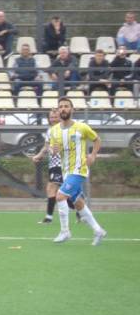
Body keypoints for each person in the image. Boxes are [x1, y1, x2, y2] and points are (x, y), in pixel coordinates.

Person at [48, 97, 106, 245]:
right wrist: (53, 150)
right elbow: (53, 150)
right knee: (78, 203)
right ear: (58, 110)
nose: (63, 109)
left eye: (66, 106)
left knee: (60, 196)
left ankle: (65, 232)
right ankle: (98, 230)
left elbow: (97, 140)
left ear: (72, 109)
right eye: (61, 106)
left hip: (79, 169)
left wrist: (93, 155)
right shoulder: (54, 130)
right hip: (66, 171)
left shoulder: (82, 127)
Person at [32, 109, 78, 224]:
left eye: (55, 117)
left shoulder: (66, 129)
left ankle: (49, 217)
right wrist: (39, 155)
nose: (53, 119)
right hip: (53, 163)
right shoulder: (50, 130)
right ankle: (80, 211)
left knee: (53, 189)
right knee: (60, 191)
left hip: (62, 164)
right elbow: (47, 146)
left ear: (61, 117)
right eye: (51, 117)